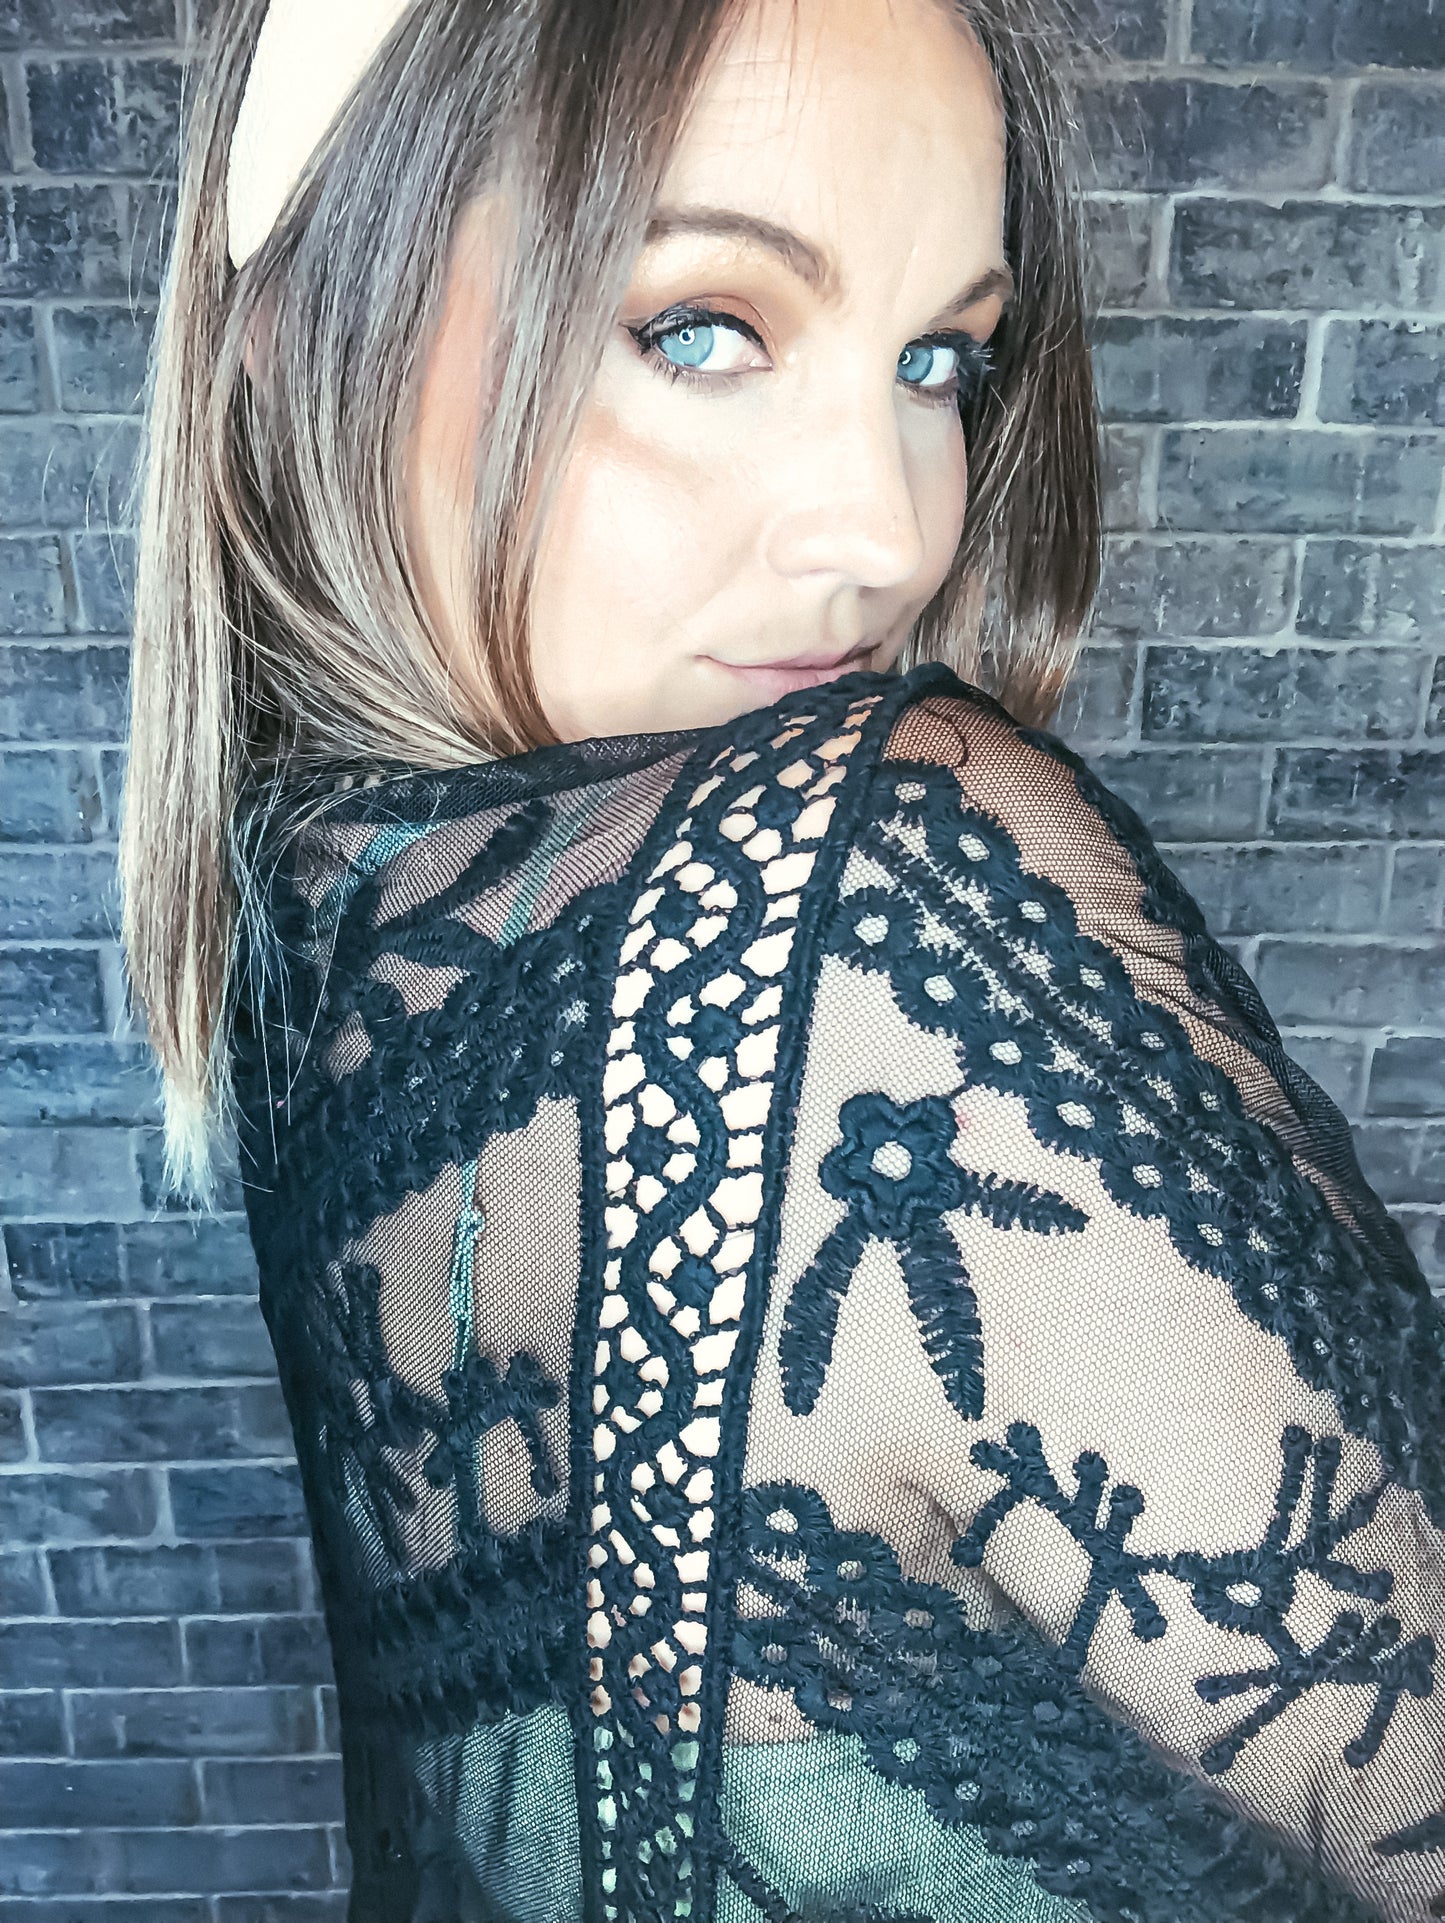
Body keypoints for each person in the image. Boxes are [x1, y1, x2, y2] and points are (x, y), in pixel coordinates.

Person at [117, 0, 1445, 1918]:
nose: (890, 533)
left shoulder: (328, 930)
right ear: (302, 335)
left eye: (936, 360)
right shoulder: (857, 913)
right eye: (700, 330)